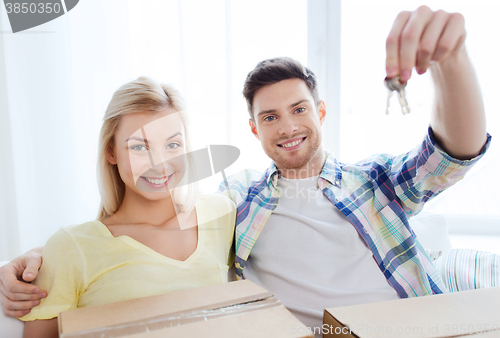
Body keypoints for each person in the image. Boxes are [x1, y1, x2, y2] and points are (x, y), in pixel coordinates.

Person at [0, 6, 491, 337]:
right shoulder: (238, 199)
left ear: (321, 113)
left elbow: (454, 154)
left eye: (299, 110)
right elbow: (151, 221)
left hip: (409, 326)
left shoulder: (375, 181)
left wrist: (452, 61)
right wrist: (41, 259)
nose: (288, 127)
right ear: (254, 131)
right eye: (270, 117)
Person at [4, 77, 236, 338]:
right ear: (111, 152)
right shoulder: (71, 247)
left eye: (172, 145)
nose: (159, 164)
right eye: (139, 147)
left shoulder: (220, 214)